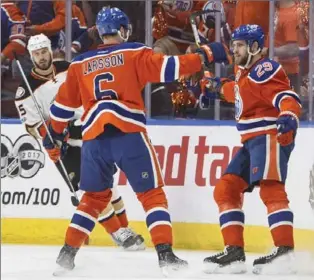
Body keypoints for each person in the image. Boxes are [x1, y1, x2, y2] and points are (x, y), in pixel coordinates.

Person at [42, 6, 230, 275]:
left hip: (94, 139)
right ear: (121, 30)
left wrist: (53, 137)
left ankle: (66, 255)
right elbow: (171, 67)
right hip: (128, 133)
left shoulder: (79, 64)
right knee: (152, 195)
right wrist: (205, 55)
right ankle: (166, 256)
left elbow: (60, 110)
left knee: (92, 199)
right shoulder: (133, 52)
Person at [14, 34, 145, 252]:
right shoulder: (25, 89)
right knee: (91, 190)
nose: (41, 57)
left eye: (44, 51)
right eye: (36, 54)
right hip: (63, 146)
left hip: (88, 133)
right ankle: (118, 234)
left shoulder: (69, 67)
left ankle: (125, 229)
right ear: (31, 56)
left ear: (51, 50)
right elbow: (31, 125)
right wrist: (52, 136)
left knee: (108, 186)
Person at [201, 25, 302, 274]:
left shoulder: (264, 69)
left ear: (255, 47)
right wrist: (214, 88)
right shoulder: (242, 72)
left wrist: (288, 116)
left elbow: (287, 96)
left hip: (270, 135)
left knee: (271, 188)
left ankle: (285, 253)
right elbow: (238, 94)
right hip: (251, 141)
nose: (234, 49)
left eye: (239, 45)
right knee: (226, 188)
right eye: (233, 45)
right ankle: (234, 253)